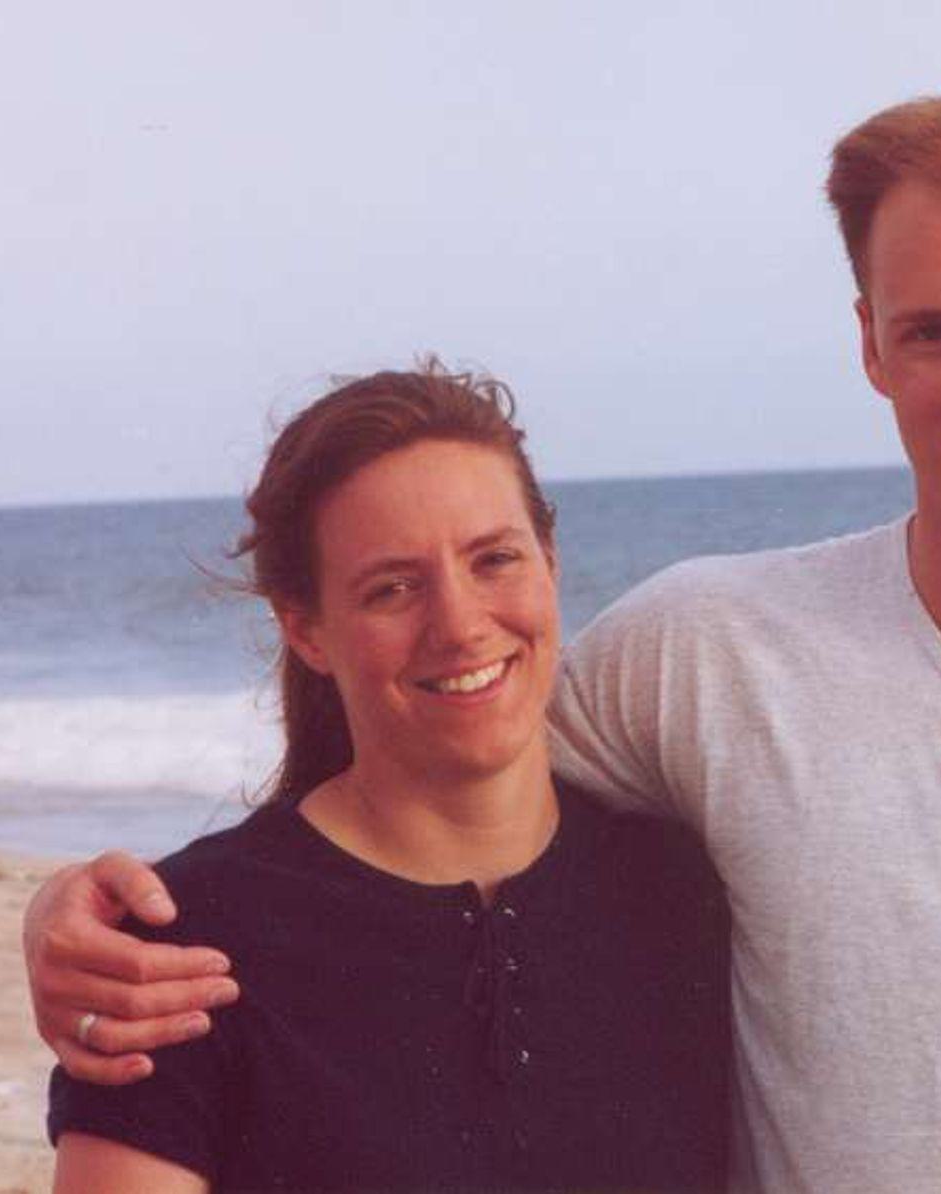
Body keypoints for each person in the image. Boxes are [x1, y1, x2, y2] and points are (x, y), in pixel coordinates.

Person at [25, 78, 941, 1192]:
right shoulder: (708, 657)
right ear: (870, 344)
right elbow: (430, 772)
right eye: (933, 330)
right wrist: (90, 923)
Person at [43, 364, 731, 1192]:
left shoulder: (680, 889)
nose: (461, 625)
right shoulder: (183, 952)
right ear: (306, 629)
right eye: (393, 588)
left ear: (549, 563)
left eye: (494, 559)